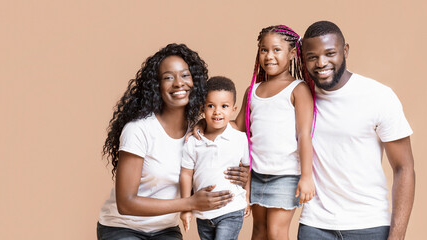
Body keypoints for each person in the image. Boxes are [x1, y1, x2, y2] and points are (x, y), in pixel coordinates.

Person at [97, 43, 246, 240]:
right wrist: (190, 204)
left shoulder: (199, 132)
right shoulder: (139, 130)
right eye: (168, 77)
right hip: (122, 228)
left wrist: (240, 176)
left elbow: (233, 127)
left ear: (195, 81)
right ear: (156, 86)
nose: (178, 83)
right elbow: (126, 204)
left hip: (165, 229)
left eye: (185, 75)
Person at [191, 25, 316, 240]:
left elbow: (304, 135)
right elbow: (238, 126)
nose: (269, 56)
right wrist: (204, 123)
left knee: (277, 232)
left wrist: (306, 176)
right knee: (258, 230)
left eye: (277, 50)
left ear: (293, 53)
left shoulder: (298, 89)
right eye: (264, 50)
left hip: (286, 175)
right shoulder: (253, 91)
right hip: (257, 174)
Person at [296, 20, 415, 240]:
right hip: (315, 226)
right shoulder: (298, 99)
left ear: (345, 51)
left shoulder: (378, 96)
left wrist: (396, 237)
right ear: (303, 58)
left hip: (370, 225)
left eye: (330, 53)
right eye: (312, 57)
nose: (321, 63)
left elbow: (404, 168)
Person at [179, 76, 251, 240]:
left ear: (233, 109)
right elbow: (186, 174)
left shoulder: (239, 139)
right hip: (203, 214)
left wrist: (247, 197)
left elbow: (247, 168)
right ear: (202, 108)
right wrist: (186, 206)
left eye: (224, 106)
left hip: (231, 210)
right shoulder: (193, 141)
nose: (217, 111)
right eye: (211, 106)